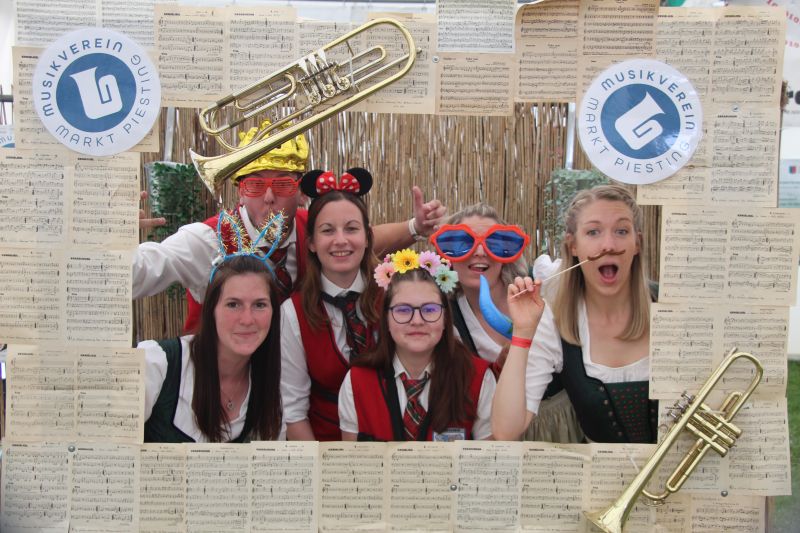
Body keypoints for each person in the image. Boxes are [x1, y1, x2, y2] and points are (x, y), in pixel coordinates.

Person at [133, 120, 447, 332]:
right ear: (240, 191)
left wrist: (415, 226)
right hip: (218, 381)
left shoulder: (313, 229)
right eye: (255, 185)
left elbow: (365, 239)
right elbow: (140, 275)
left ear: (300, 193)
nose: (269, 197)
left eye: (283, 184)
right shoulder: (206, 239)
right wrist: (116, 238)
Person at [492, 184, 657, 443]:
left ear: (637, 243)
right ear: (573, 246)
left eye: (621, 231)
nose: (608, 245)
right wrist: (523, 332)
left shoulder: (669, 306)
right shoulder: (554, 319)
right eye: (593, 232)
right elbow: (506, 430)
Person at [338, 249, 496, 441]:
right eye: (403, 310)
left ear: (445, 318)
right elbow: (352, 458)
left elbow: (488, 458)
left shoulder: (478, 378)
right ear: (386, 319)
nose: (417, 321)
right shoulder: (357, 382)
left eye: (429, 309)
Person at [280, 168, 383, 441]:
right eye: (327, 231)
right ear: (312, 243)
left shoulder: (393, 296)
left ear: (367, 237)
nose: (340, 240)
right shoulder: (292, 313)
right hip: (325, 447)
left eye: (351, 229)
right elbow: (293, 412)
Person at [138, 253, 283, 443]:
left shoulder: (271, 384)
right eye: (233, 304)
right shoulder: (156, 364)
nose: (247, 319)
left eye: (259, 305)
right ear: (211, 310)